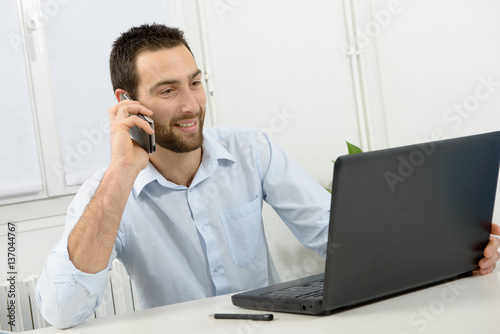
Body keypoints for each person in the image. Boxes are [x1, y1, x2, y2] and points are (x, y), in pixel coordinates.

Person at [36, 23, 500, 329]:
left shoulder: (250, 149)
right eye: (167, 90)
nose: (191, 105)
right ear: (126, 102)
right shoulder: (108, 191)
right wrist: (122, 171)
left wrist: (451, 250)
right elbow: (61, 312)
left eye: (195, 82)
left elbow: (335, 235)